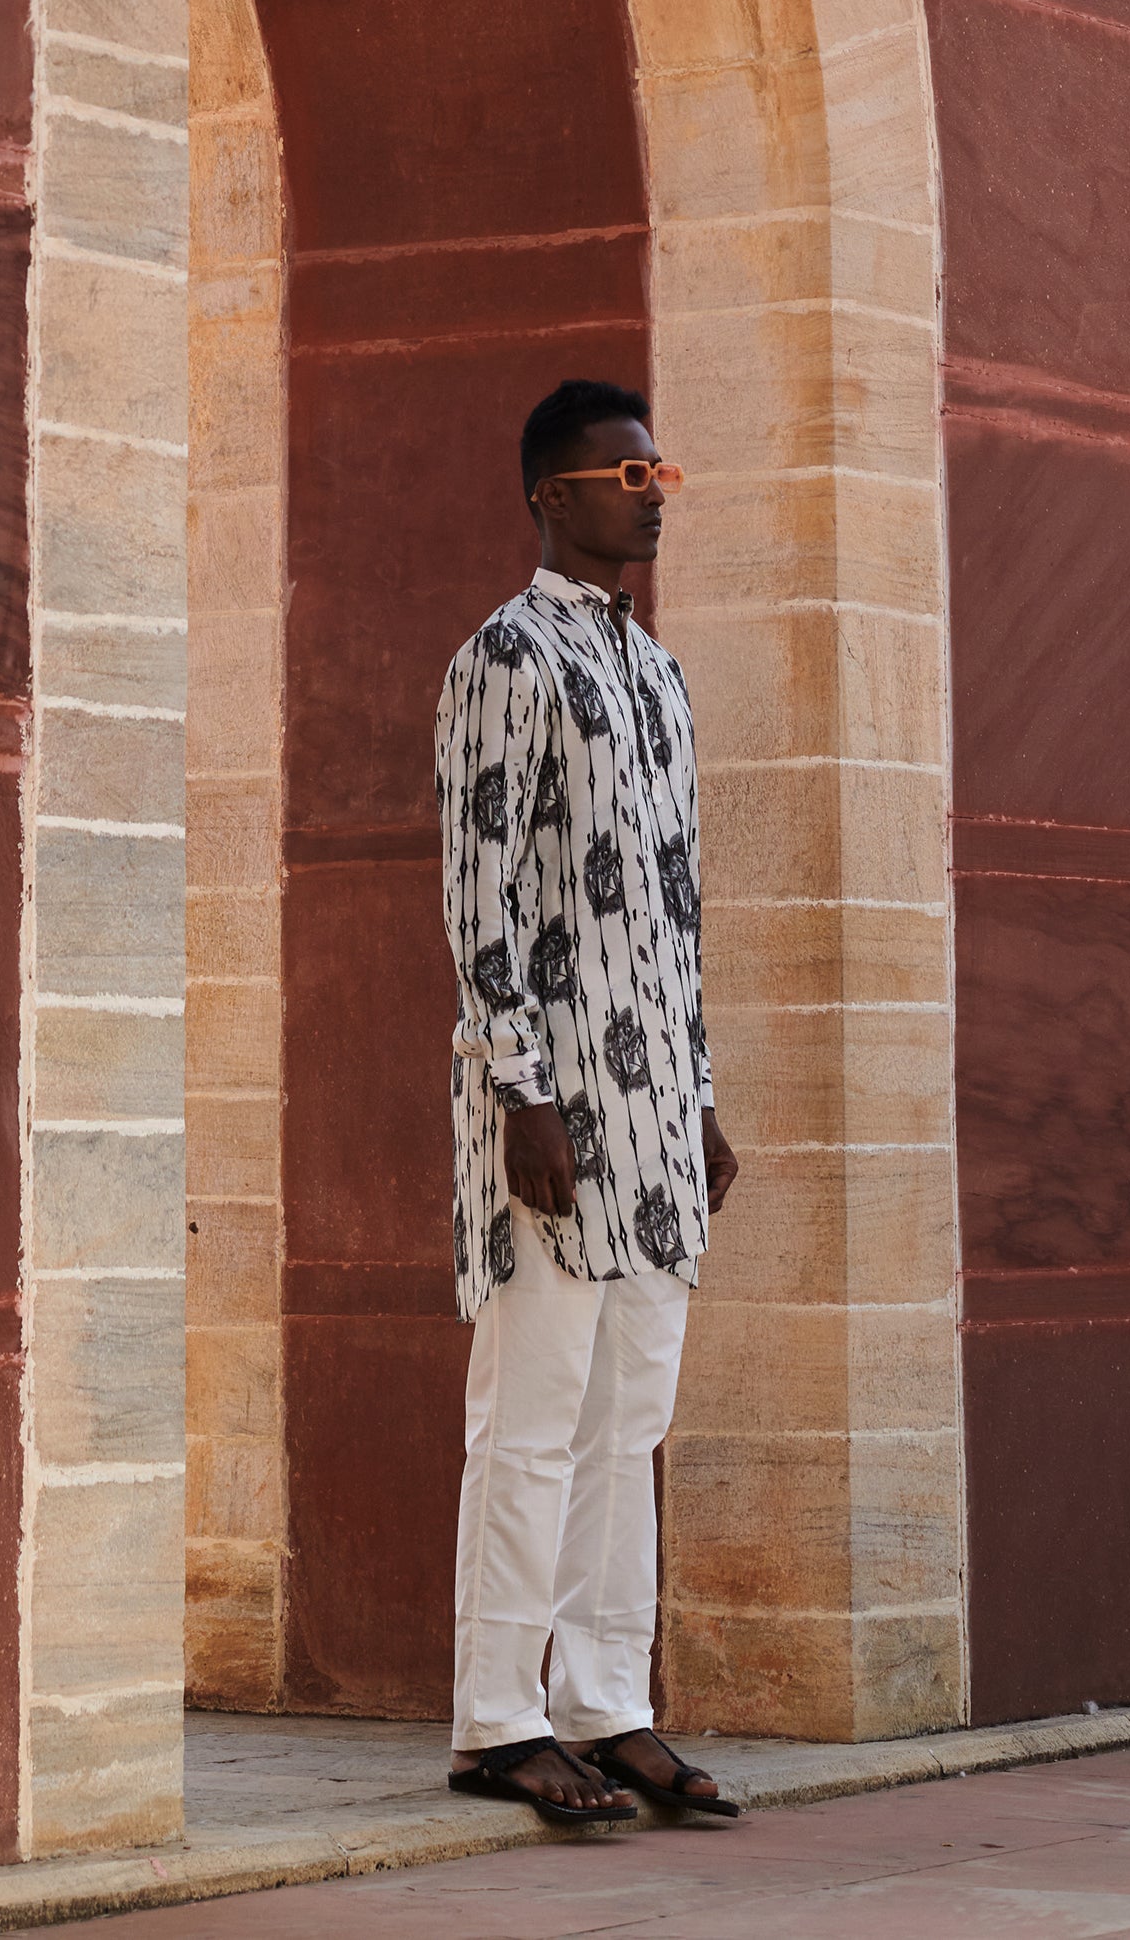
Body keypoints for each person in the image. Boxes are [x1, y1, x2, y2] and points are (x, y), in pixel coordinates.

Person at [432, 376, 742, 1827]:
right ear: (554, 496)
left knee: (630, 1421)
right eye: (627, 474)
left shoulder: (657, 673)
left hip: (657, 1111)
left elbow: (677, 909)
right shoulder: (506, 656)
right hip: (552, 1105)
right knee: (533, 1416)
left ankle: (609, 1705)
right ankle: (501, 1719)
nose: (651, 491)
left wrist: (702, 1095)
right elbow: (480, 885)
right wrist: (519, 1092)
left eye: (658, 470)